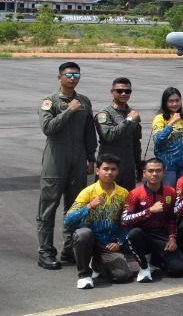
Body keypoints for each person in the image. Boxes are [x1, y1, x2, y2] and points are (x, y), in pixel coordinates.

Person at [36, 61, 97, 270]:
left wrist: (91, 157)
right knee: (48, 208)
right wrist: (69, 111)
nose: (73, 79)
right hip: (55, 160)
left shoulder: (85, 102)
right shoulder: (49, 102)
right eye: (69, 75)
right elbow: (48, 128)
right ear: (59, 77)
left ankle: (70, 249)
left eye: (76, 75)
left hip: (78, 160)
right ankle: (45, 251)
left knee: (75, 207)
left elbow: (90, 132)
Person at [64, 154, 132, 289]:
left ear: (117, 171)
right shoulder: (88, 192)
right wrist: (89, 206)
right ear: (97, 171)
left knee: (122, 276)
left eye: (113, 169)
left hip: (107, 244)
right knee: (83, 234)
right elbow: (68, 219)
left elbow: (127, 221)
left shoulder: (123, 194)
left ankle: (97, 264)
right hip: (89, 240)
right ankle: (84, 275)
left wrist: (119, 241)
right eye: (105, 169)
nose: (109, 172)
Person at [123, 157, 183, 282]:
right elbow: (124, 220)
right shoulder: (134, 194)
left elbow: (171, 218)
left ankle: (156, 259)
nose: (154, 174)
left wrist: (172, 238)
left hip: (161, 236)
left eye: (158, 171)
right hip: (142, 236)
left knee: (178, 270)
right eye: (150, 171)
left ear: (164, 172)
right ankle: (144, 267)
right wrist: (149, 211)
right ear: (144, 173)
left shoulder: (170, 192)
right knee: (133, 234)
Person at [94, 77, 142, 190]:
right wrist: (128, 121)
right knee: (105, 201)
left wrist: (138, 166)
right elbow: (108, 136)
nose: (124, 93)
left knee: (127, 202)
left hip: (128, 167)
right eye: (119, 91)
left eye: (127, 91)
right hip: (109, 167)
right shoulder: (105, 114)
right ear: (112, 92)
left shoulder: (133, 113)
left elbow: (136, 143)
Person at [151, 87, 183, 189]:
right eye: (171, 101)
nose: (174, 104)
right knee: (169, 194)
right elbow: (158, 140)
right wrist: (171, 122)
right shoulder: (160, 118)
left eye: (177, 100)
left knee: (181, 193)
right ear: (165, 103)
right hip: (168, 166)